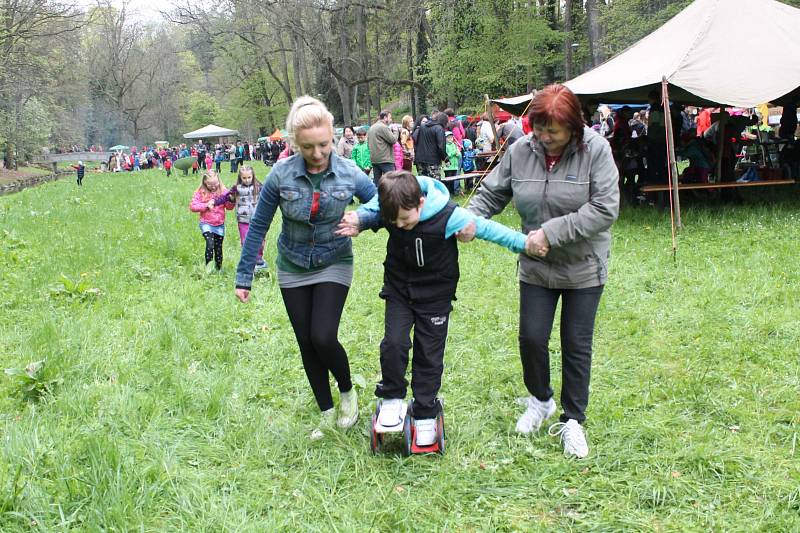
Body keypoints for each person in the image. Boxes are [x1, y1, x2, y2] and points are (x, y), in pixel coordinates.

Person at [460, 84, 619, 459]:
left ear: (573, 127)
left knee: (576, 345)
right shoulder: (520, 151)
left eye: (554, 131)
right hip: (535, 265)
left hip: (583, 266)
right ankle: (541, 400)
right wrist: (468, 218)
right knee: (531, 338)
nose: (545, 137)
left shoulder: (596, 150)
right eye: (539, 128)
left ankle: (574, 420)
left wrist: (551, 232)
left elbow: (605, 208)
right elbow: (492, 192)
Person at [336, 170, 535, 446]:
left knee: (429, 354)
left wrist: (525, 243)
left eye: (405, 219)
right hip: (399, 290)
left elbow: (490, 230)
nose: (401, 226)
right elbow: (373, 208)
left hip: (436, 295)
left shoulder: (448, 215)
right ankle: (393, 397)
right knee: (393, 343)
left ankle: (426, 410)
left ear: (420, 203)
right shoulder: (392, 207)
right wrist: (359, 218)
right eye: (395, 222)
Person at [234, 96, 377, 440]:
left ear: (333, 138)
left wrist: (363, 218)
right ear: (295, 143)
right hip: (293, 264)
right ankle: (326, 412)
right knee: (305, 342)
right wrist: (244, 276)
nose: (317, 153)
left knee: (322, 336)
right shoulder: (281, 175)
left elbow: (381, 198)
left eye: (324, 145)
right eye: (309, 147)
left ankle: (347, 393)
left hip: (334, 260)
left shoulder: (347, 170)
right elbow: (259, 225)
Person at [220, 165, 268, 272]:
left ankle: (259, 259)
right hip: (243, 219)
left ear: (253, 176)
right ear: (240, 178)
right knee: (245, 241)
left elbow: (269, 196)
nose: (247, 180)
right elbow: (226, 197)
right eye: (244, 178)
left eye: (249, 177)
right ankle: (248, 261)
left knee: (260, 240)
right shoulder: (236, 188)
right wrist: (218, 201)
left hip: (257, 219)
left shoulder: (259, 186)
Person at [189, 170, 234, 270]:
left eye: (216, 184)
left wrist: (231, 200)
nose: (213, 187)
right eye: (210, 184)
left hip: (219, 224)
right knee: (210, 243)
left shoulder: (223, 191)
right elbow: (193, 206)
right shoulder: (201, 192)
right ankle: (208, 267)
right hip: (206, 223)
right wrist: (206, 205)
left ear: (219, 180)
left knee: (218, 247)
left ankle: (219, 268)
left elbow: (229, 207)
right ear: (205, 182)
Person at [412, 112, 447, 179]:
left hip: (420, 160)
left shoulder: (422, 126)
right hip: (433, 160)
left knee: (423, 184)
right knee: (435, 183)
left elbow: (415, 139)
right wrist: (445, 158)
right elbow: (441, 146)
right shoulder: (439, 128)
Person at [367, 110, 397, 184]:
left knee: (377, 183)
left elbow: (368, 143)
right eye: (390, 118)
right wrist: (396, 131)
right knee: (392, 182)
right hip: (385, 160)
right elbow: (393, 140)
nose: (391, 120)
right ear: (385, 117)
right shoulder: (383, 127)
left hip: (374, 160)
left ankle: (378, 195)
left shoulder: (372, 127)